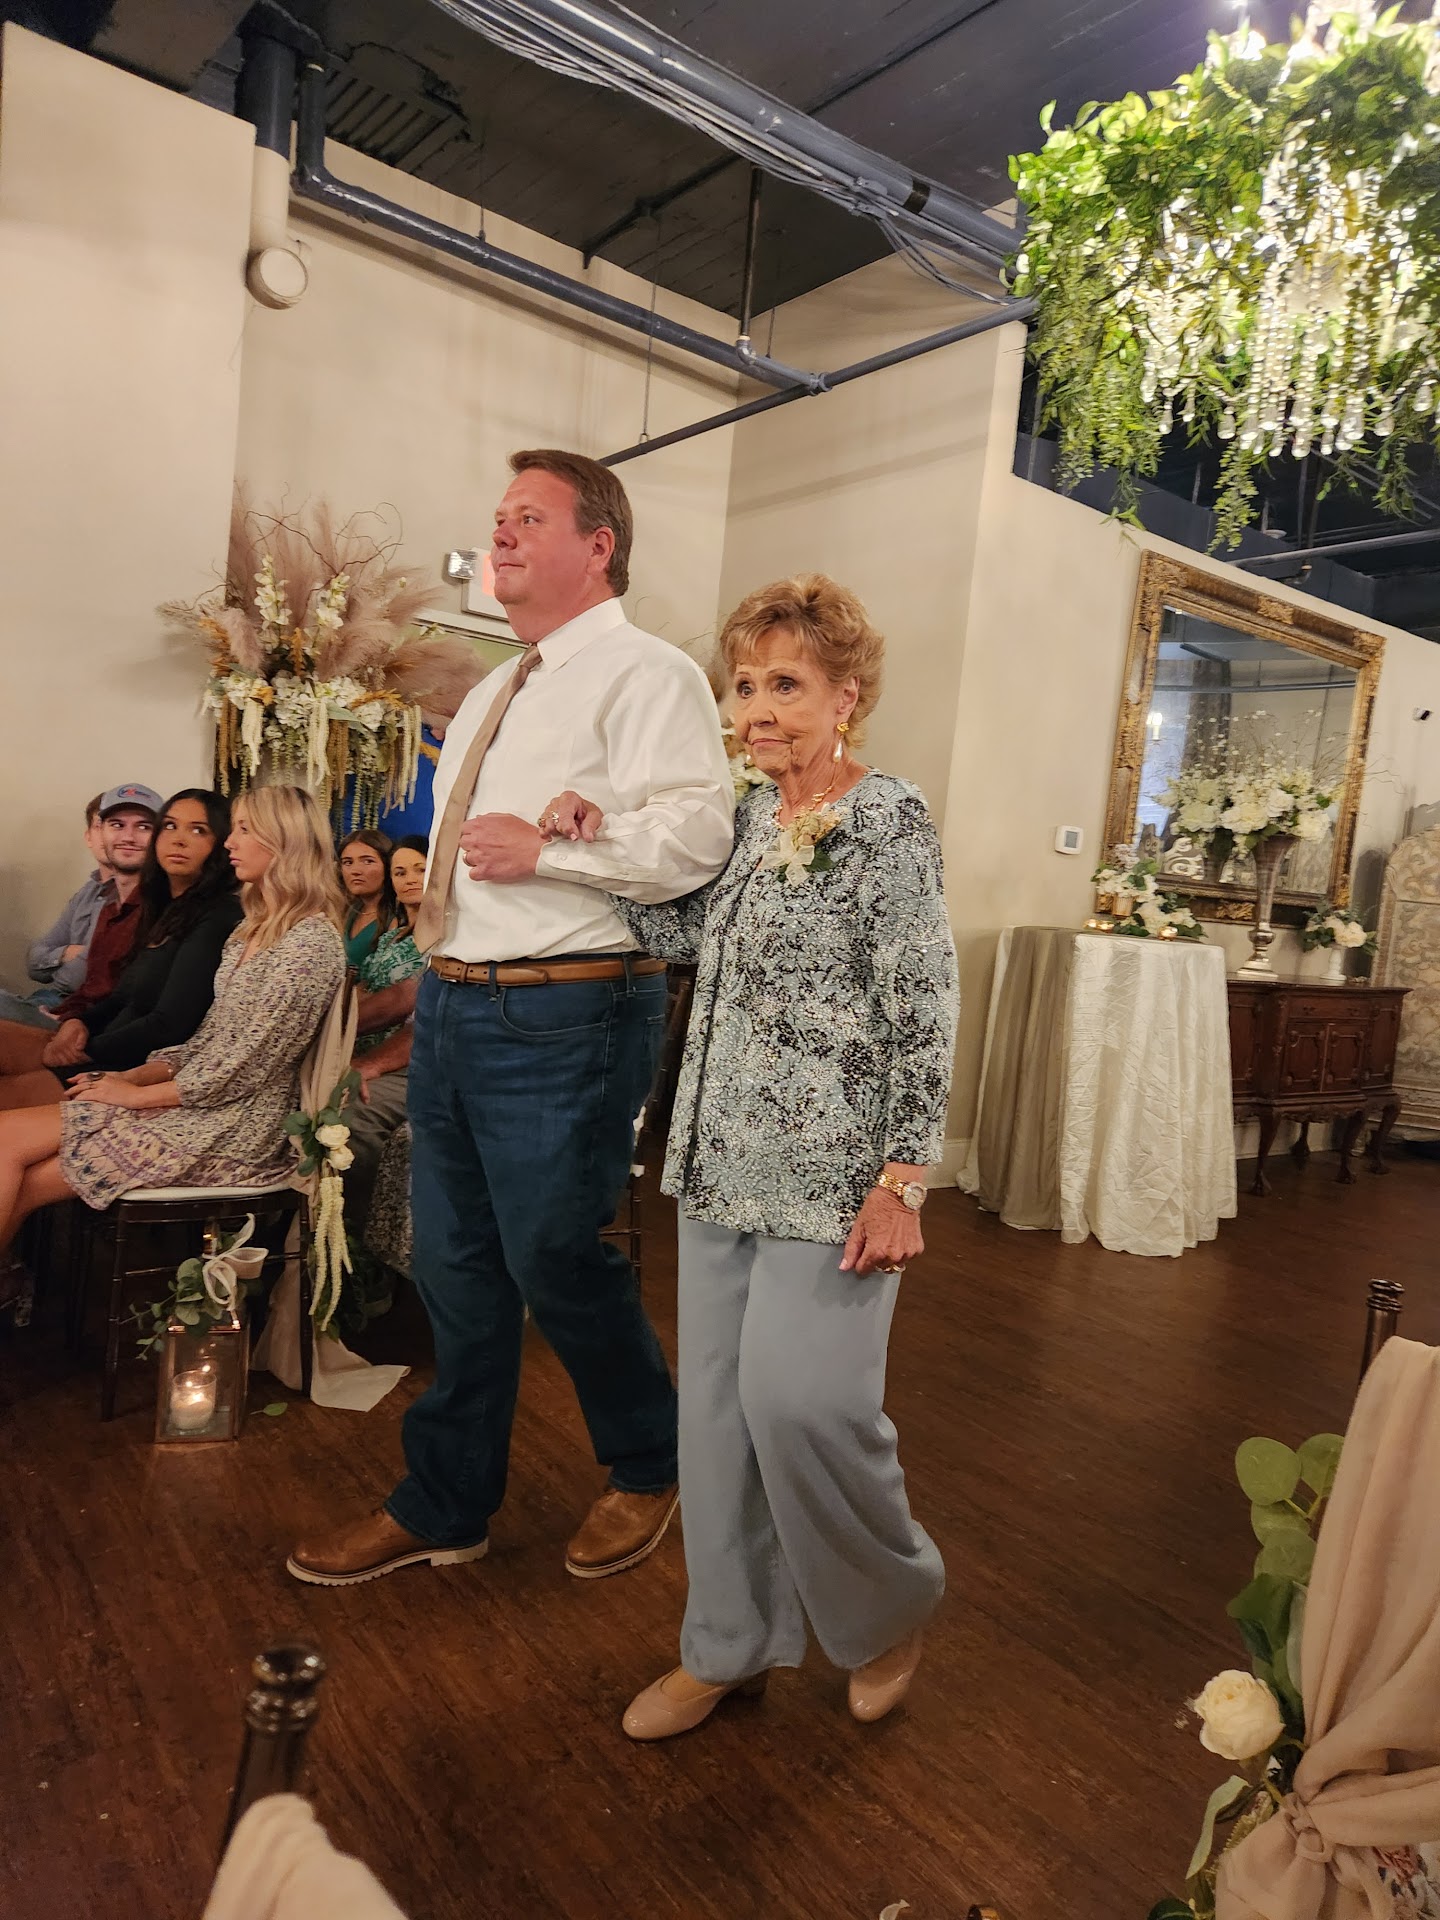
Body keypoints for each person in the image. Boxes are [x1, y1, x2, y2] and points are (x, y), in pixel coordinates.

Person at [287, 447, 733, 1589]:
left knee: (553, 1255)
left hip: (568, 1010)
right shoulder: (495, 689)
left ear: (600, 545)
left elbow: (700, 837)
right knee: (454, 1264)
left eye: (530, 517)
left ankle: (651, 1460)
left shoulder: (648, 674)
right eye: (498, 516)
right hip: (456, 1000)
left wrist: (558, 848)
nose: (501, 533)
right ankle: (444, 1503)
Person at [537, 574, 958, 1741]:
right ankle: (726, 1645)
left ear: (845, 697)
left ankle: (887, 1608)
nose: (757, 708)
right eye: (744, 685)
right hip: (718, 1156)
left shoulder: (889, 818)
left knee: (805, 1405)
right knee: (717, 1424)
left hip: (836, 1174)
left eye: (786, 685)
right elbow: (684, 935)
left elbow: (925, 1005)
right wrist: (592, 845)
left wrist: (903, 1177)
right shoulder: (745, 816)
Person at [0, 785, 346, 1308]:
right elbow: (208, 1041)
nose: (230, 842)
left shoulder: (310, 943)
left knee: (11, 1146)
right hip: (198, 1101)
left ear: (285, 841)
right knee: (12, 1150)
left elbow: (244, 1069)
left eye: (245, 829)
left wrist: (134, 1096)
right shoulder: (252, 930)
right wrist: (130, 1077)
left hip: (234, 1125)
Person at [0, 791, 241, 1111]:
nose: (179, 840)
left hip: (133, 1066)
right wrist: (79, 1023)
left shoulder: (219, 914)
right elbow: (120, 997)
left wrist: (84, 1050)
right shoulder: (164, 906)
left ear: (221, 844)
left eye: (198, 830)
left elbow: (170, 1025)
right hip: (100, 1041)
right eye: (170, 826)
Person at [339, 835, 428, 1324]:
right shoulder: (393, 937)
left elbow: (415, 1012)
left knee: (350, 1120)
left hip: (423, 1062)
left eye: (420, 869)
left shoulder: (449, 934)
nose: (410, 880)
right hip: (376, 1048)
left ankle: (363, 1264)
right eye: (401, 872)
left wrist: (368, 1063)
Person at [0, 784, 159, 1039]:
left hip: (89, 1021)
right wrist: (68, 953)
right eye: (117, 825)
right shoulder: (101, 899)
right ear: (98, 833)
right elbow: (34, 962)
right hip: (60, 1005)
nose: (128, 837)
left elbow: (85, 981)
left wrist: (73, 1015)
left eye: (143, 827)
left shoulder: (158, 902)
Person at [0, 795, 112, 1025]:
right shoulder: (86, 892)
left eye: (116, 826)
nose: (110, 836)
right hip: (47, 998)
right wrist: (67, 952)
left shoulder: (140, 895)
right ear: (88, 837)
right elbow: (34, 962)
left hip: (81, 1012)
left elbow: (83, 976)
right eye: (100, 826)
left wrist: (63, 963)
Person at [339, 829, 394, 970]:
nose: (355, 871)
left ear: (388, 866)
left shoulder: (397, 917)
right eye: (348, 862)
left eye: (368, 861)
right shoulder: (346, 910)